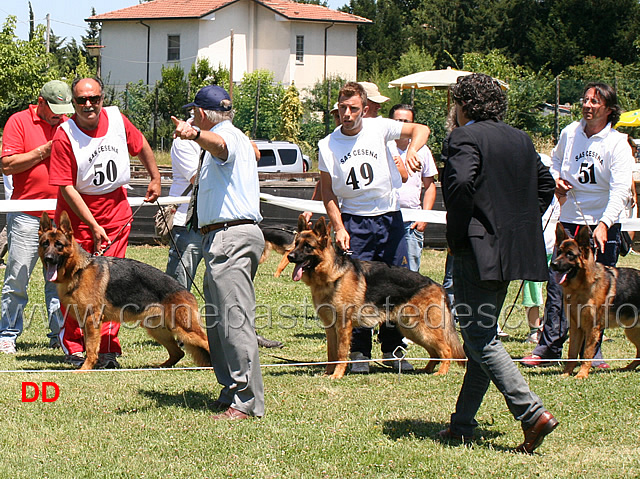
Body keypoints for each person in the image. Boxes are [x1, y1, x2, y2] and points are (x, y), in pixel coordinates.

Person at [440, 73, 558, 453]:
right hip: (512, 247)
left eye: (454, 104)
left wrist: (460, 235)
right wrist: (515, 224)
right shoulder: (521, 138)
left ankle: (531, 413)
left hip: (477, 249)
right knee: (482, 334)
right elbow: (546, 186)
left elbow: (458, 185)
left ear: (463, 105)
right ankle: (461, 424)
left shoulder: (463, 136)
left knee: (479, 337)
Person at [49, 77, 161, 368]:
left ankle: (106, 349)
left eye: (94, 99)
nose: (88, 105)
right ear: (72, 103)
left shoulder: (117, 118)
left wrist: (155, 177)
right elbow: (66, 187)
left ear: (102, 98)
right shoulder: (65, 134)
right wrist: (93, 224)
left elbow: (141, 145)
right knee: (75, 288)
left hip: (116, 214)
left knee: (111, 287)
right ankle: (76, 348)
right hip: (77, 221)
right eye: (81, 100)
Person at [318, 81, 430, 373]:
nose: (347, 114)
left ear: (364, 109)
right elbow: (328, 193)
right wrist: (339, 227)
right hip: (354, 219)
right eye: (342, 108)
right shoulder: (327, 145)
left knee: (394, 282)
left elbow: (421, 129)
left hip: (389, 217)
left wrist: (411, 152)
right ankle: (358, 351)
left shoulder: (379, 127)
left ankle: (393, 349)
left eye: (353, 108)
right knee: (354, 290)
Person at [522, 82, 634, 368]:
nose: (587, 105)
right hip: (569, 216)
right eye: (585, 100)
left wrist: (605, 224)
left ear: (608, 109)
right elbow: (557, 161)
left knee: (597, 293)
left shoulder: (617, 143)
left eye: (594, 102)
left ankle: (591, 354)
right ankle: (548, 347)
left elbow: (621, 189)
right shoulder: (569, 132)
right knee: (559, 285)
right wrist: (556, 179)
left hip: (603, 222)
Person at [172, 85, 265, 420]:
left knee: (233, 320)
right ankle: (231, 391)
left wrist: (195, 134)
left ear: (200, 114)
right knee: (218, 321)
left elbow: (221, 146)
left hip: (232, 236)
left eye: (193, 113)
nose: (189, 117)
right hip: (219, 237)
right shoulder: (235, 139)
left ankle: (246, 401)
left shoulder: (224, 138)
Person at [0, 80, 72, 354]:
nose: (59, 115)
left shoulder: (68, 123)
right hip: (27, 215)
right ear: (40, 101)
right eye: (54, 108)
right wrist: (46, 150)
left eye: (62, 109)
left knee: (60, 279)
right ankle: (7, 332)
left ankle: (59, 333)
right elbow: (7, 165)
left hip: (62, 216)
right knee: (18, 275)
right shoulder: (18, 122)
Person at [387, 104, 437, 272]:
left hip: (411, 222)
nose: (402, 125)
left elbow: (430, 186)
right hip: (384, 218)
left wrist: (424, 217)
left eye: (406, 121)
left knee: (411, 275)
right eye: (397, 121)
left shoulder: (422, 151)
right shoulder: (382, 147)